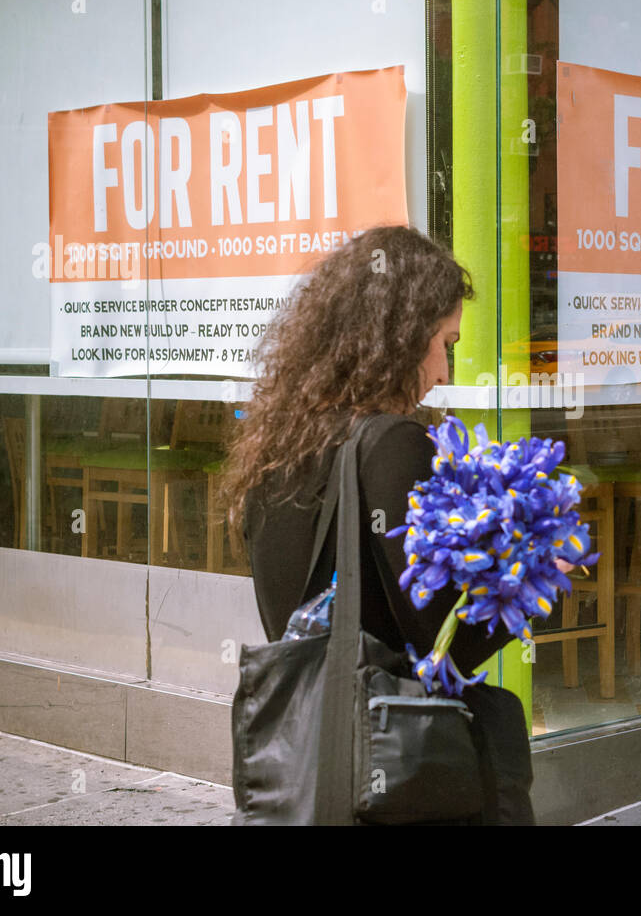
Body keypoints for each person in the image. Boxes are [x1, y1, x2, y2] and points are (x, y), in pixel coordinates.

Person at [220, 224, 534, 825]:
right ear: (401, 338)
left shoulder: (277, 452)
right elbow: (443, 649)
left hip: (310, 771)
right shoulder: (391, 445)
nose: (444, 371)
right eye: (445, 343)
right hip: (388, 777)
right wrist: (532, 581)